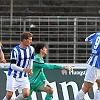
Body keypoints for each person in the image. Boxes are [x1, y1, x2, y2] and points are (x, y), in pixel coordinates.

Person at [3, 32, 34, 100]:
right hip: (13, 75)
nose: (31, 41)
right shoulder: (15, 50)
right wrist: (24, 69)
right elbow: (12, 66)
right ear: (24, 40)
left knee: (26, 94)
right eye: (29, 39)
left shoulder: (31, 49)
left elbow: (31, 59)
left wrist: (30, 69)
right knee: (9, 95)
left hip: (23, 76)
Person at [75, 32, 100, 100]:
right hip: (95, 65)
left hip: (93, 62)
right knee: (86, 88)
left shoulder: (96, 34)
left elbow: (87, 39)